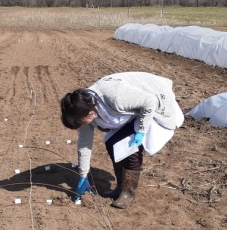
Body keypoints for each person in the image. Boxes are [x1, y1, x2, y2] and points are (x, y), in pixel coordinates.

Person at [60, 72, 184, 209]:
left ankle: (128, 193)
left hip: (156, 104)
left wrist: (142, 131)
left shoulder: (114, 95)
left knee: (130, 147)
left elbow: (149, 102)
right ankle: (120, 187)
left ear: (88, 112)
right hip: (132, 112)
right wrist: (83, 175)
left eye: (81, 121)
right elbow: (84, 144)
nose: (81, 124)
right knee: (112, 143)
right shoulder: (84, 111)